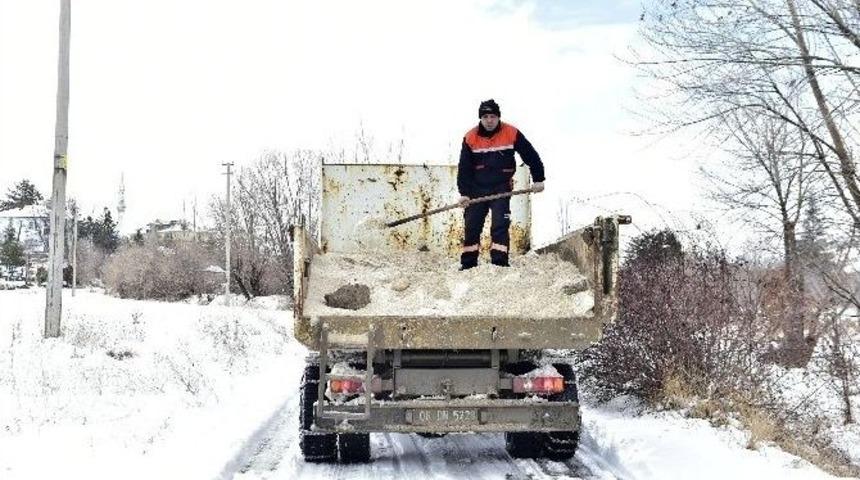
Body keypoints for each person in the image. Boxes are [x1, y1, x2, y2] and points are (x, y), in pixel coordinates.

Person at [457, 99, 545, 270]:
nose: (489, 120)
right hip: (476, 188)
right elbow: (464, 168)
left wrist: (538, 179)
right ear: (480, 118)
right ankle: (468, 264)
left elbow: (530, 155)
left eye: (493, 116)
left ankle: (499, 263)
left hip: (501, 187)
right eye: (485, 117)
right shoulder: (470, 137)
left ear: (498, 117)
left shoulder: (511, 133)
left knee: (500, 224)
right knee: (472, 225)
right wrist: (464, 193)